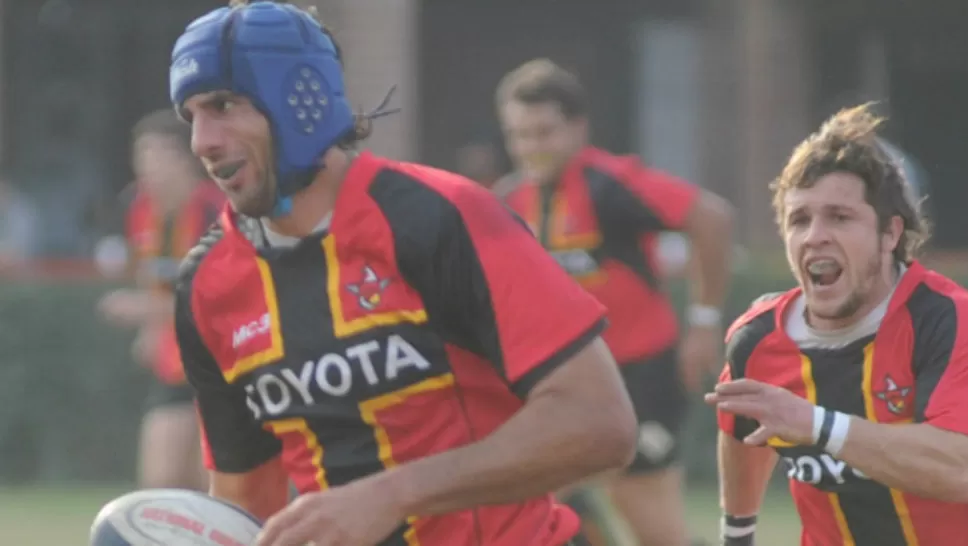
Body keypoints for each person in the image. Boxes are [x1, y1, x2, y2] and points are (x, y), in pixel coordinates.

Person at [168, 2, 638, 546]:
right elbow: (245, 504)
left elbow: (599, 423)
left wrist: (392, 495)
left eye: (224, 105)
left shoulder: (442, 215)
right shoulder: (206, 285)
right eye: (193, 117)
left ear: (298, 98)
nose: (203, 141)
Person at [496, 58, 734, 546]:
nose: (531, 148)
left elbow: (712, 218)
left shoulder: (611, 185)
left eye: (544, 132)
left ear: (578, 128)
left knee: (654, 528)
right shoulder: (505, 203)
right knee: (529, 500)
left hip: (640, 379)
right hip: (563, 385)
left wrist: (705, 323)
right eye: (519, 136)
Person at [709, 103, 968, 546]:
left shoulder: (948, 319)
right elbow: (740, 431)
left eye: (840, 217)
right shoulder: (756, 339)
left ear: (890, 234)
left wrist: (818, 426)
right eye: (800, 219)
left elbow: (960, 468)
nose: (814, 236)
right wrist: (737, 533)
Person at [98, 109, 224, 491]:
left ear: (187, 161)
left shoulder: (217, 214)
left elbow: (219, 303)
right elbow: (151, 275)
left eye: (158, 155)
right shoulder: (139, 210)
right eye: (142, 155)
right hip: (174, 365)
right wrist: (150, 330)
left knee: (215, 487)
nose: (147, 167)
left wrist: (145, 311)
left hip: (223, 366)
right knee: (161, 484)